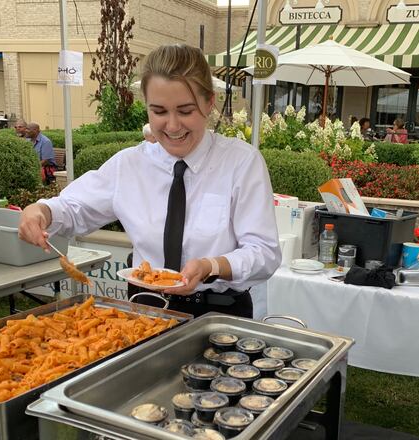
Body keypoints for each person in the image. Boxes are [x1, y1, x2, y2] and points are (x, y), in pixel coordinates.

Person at [18, 44, 280, 319]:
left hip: (219, 314)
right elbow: (74, 209)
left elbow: (264, 253)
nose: (173, 125)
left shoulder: (241, 162)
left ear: (209, 103)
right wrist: (41, 212)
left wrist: (211, 266)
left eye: (186, 111)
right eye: (159, 111)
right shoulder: (129, 165)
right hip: (145, 310)